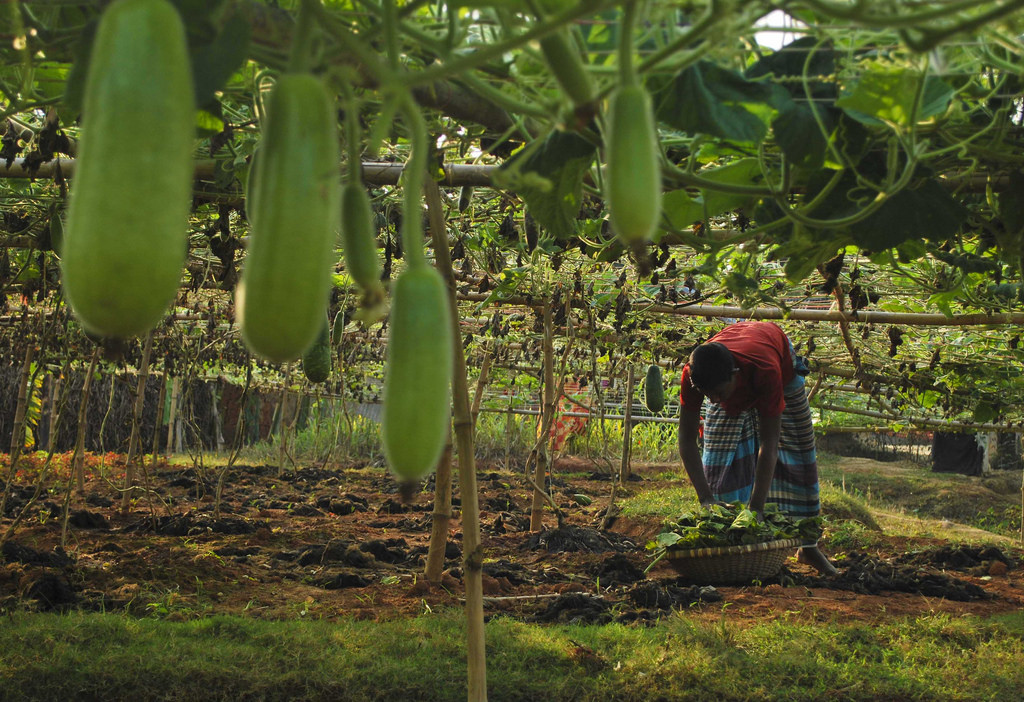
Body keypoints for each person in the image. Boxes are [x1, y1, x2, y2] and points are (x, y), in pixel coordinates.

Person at [677, 321, 837, 575]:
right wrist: (706, 498)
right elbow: (686, 440)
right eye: (707, 395)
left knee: (798, 453)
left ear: (735, 373)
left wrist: (756, 509)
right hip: (734, 363)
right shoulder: (695, 375)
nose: (714, 401)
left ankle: (807, 547)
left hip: (779, 363)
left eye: (718, 393)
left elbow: (770, 443)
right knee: (720, 462)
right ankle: (734, 544)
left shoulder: (766, 369)